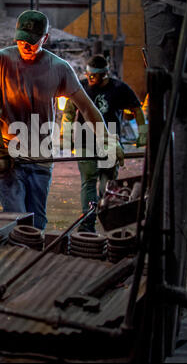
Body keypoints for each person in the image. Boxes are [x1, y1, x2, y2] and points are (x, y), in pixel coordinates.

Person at [0, 11, 124, 231]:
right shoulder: (0, 61)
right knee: (16, 221)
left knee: (36, 223)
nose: (26, 45)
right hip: (9, 157)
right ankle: (18, 260)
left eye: (33, 41)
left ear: (45, 38)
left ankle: (32, 259)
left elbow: (86, 106)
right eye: (21, 39)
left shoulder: (60, 68)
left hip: (41, 157)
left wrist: (107, 139)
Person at [61, 54, 147, 233]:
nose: (89, 78)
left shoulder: (119, 88)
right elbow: (69, 111)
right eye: (88, 74)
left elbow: (136, 109)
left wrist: (143, 132)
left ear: (105, 74)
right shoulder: (81, 87)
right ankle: (87, 224)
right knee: (89, 182)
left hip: (109, 143)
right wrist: (67, 134)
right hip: (85, 142)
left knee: (108, 185)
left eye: (94, 75)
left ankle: (108, 219)